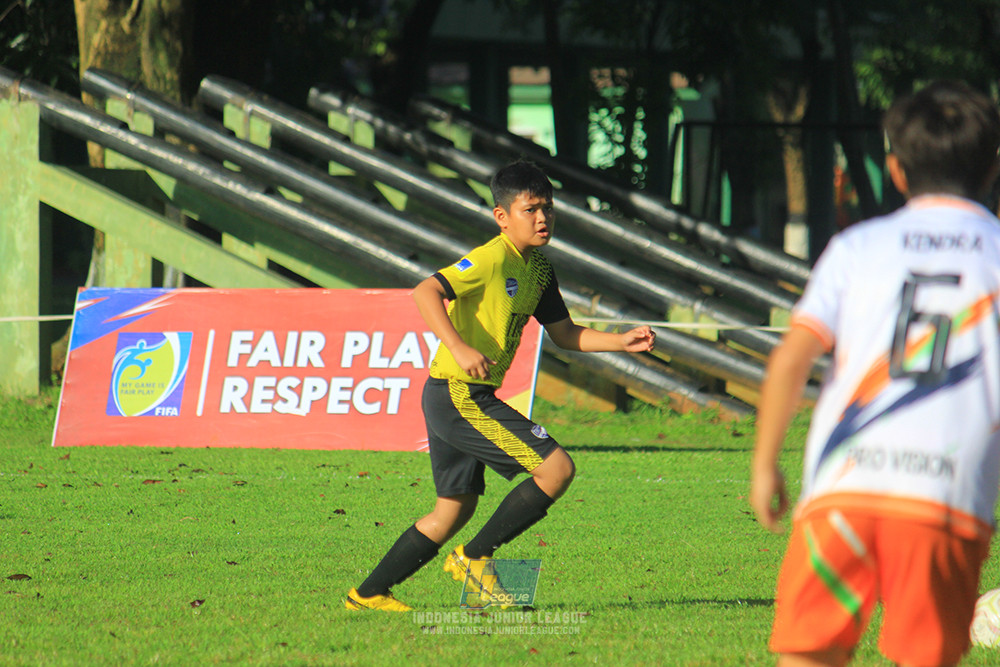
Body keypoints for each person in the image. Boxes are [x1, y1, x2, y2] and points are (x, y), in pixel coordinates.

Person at [750, 80, 1000, 667]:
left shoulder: (857, 246)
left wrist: (764, 465)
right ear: (993, 169)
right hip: (946, 495)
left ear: (895, 169)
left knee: (809, 652)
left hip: (844, 486)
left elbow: (792, 356)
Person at [346, 160, 656, 612]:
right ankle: (475, 558)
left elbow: (565, 333)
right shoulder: (490, 258)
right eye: (530, 209)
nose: (543, 218)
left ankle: (367, 594)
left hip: (462, 395)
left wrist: (620, 341)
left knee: (452, 510)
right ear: (502, 216)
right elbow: (425, 291)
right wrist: (458, 346)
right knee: (556, 470)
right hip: (457, 394)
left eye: (547, 208)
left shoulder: (540, 270)